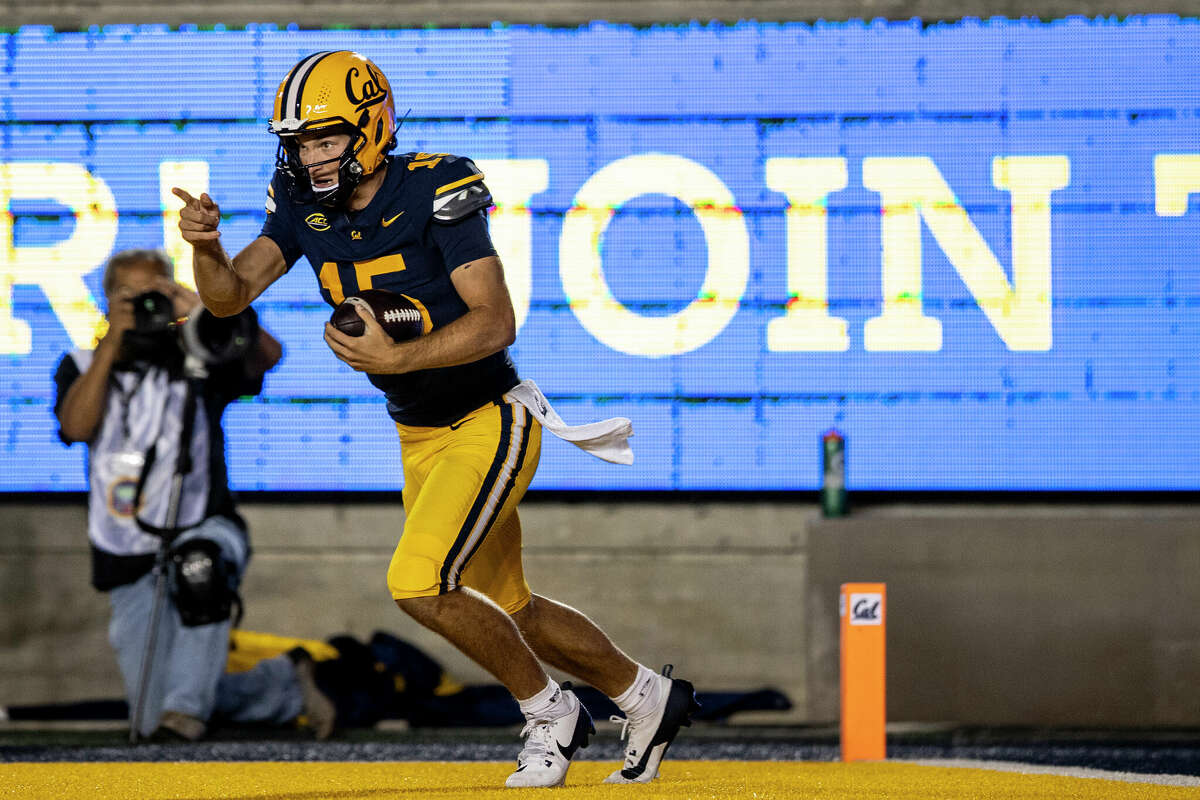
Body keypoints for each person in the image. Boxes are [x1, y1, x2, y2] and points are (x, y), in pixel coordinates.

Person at [174, 50, 699, 786]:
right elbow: (229, 297)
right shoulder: (302, 202)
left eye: (326, 139)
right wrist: (204, 248)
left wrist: (395, 360)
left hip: (489, 417)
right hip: (418, 433)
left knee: (419, 582)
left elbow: (495, 321)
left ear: (372, 125)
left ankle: (552, 712)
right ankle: (646, 696)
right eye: (300, 144)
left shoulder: (436, 183)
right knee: (513, 605)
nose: (313, 158)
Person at [53, 248, 335, 742]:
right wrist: (114, 339)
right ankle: (284, 685)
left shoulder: (199, 352)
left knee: (199, 568)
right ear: (107, 302)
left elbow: (269, 355)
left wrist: (203, 306)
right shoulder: (81, 363)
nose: (145, 306)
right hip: (125, 543)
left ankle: (185, 715)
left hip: (205, 522)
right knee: (147, 714)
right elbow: (76, 427)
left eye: (153, 293)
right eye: (131, 297)